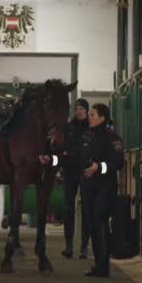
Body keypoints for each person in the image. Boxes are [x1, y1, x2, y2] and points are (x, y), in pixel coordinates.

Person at [78, 104, 124, 277]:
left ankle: (104, 265)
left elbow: (118, 163)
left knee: (100, 220)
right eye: (89, 114)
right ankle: (98, 264)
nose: (89, 117)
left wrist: (99, 167)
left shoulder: (112, 138)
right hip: (88, 186)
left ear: (103, 118)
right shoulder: (86, 137)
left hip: (105, 186)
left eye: (93, 114)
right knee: (91, 224)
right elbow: (74, 158)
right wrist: (51, 160)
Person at [56, 98, 91, 259]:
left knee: (86, 209)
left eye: (81, 108)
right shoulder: (68, 128)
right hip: (70, 172)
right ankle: (68, 245)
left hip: (86, 172)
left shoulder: (92, 127)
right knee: (68, 208)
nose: (78, 111)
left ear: (86, 110)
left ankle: (84, 246)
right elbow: (61, 149)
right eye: (76, 108)